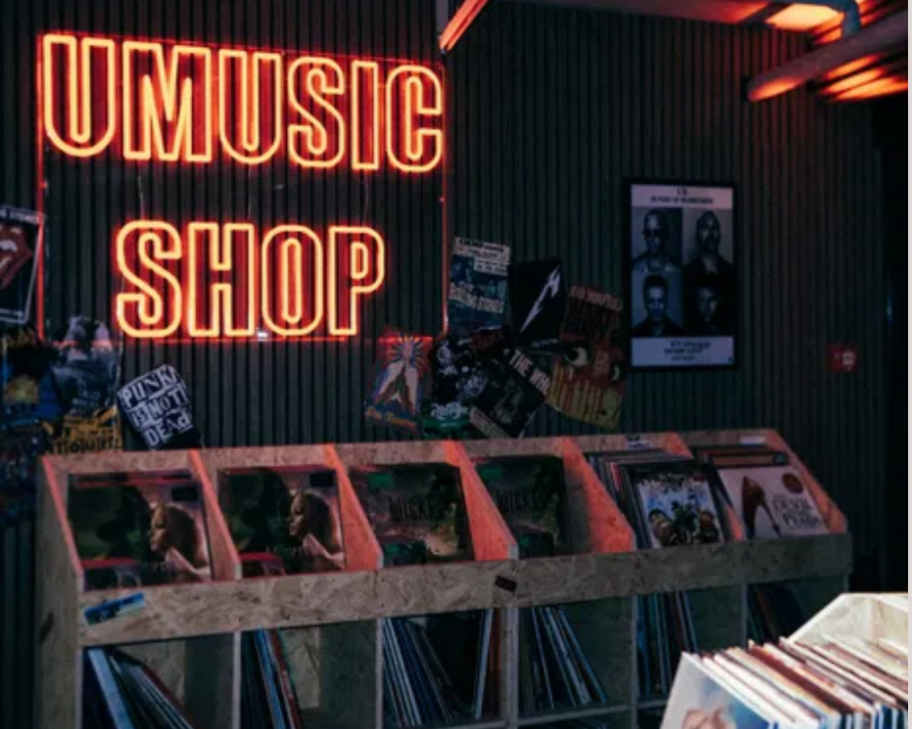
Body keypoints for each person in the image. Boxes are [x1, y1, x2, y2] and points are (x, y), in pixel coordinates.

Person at [632, 209, 680, 275]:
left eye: (656, 233)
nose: (651, 239)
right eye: (648, 233)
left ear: (665, 235)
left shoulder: (677, 267)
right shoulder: (635, 266)